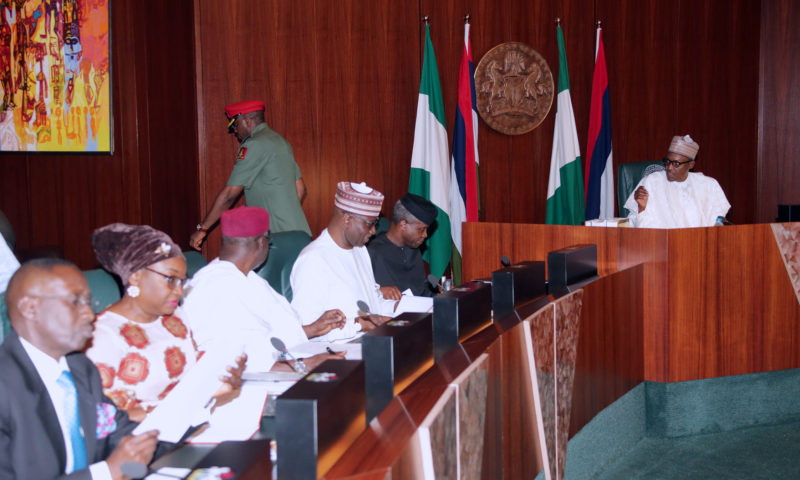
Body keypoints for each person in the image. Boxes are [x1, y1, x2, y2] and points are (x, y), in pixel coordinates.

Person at [0, 258, 160, 479]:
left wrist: (193, 411)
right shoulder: (5, 386)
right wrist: (107, 472)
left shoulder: (78, 367)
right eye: (76, 302)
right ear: (30, 308)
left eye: (88, 302)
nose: (90, 315)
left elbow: (116, 435)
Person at [86, 224, 245, 422]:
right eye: (170, 279)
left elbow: (190, 380)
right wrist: (178, 409)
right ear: (135, 276)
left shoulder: (174, 318)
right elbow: (103, 419)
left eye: (181, 281)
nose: (179, 291)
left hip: (186, 427)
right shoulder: (102, 336)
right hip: (137, 442)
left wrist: (220, 380)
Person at [183, 206, 346, 371]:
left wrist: (313, 329)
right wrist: (306, 364)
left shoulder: (246, 278)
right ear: (262, 243)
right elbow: (242, 361)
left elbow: (269, 334)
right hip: (242, 386)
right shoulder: (217, 286)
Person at [190, 100, 311, 250]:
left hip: (276, 239)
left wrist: (202, 229)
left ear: (247, 120)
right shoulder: (281, 142)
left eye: (235, 125)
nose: (234, 130)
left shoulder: (254, 144)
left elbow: (229, 195)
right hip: (299, 235)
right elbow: (301, 189)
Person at [290, 181, 398, 342]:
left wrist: (399, 308)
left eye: (375, 224)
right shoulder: (313, 260)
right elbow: (309, 332)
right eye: (369, 224)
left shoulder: (360, 249)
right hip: (341, 355)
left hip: (373, 343)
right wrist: (358, 325)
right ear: (347, 219)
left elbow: (374, 304)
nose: (374, 231)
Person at [624, 134, 731, 228]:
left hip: (699, 245)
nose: (669, 167)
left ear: (691, 165)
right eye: (667, 161)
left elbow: (718, 226)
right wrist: (641, 208)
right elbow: (632, 224)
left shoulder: (708, 185)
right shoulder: (652, 182)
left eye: (676, 164)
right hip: (661, 246)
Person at [367, 193, 438, 298]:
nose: (425, 235)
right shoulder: (373, 253)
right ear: (403, 225)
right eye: (421, 229)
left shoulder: (413, 248)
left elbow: (423, 292)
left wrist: (443, 297)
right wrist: (379, 293)